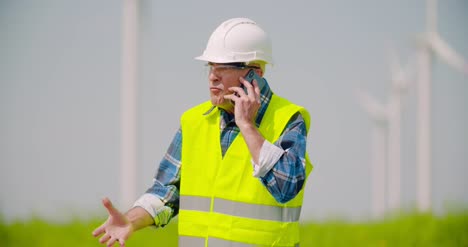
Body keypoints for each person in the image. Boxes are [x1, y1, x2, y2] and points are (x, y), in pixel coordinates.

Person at [93, 17, 313, 247]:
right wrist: (130, 221)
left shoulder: (288, 118)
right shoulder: (193, 121)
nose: (212, 76)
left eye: (224, 67)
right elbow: (166, 191)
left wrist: (247, 125)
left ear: (254, 73)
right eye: (210, 66)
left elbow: (286, 187)